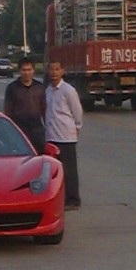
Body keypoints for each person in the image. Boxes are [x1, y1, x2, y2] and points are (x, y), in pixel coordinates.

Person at [45, 62, 83, 211]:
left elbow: (77, 111)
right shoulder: (48, 90)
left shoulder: (68, 90)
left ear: (62, 71)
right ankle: (59, 198)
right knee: (54, 171)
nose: (54, 73)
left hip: (66, 136)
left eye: (57, 70)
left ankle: (73, 200)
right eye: (51, 70)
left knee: (69, 170)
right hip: (51, 136)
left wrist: (77, 127)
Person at [3, 57, 46, 154]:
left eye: (29, 70)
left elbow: (45, 109)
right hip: (19, 129)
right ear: (19, 71)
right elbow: (7, 111)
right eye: (24, 70)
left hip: (37, 128)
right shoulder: (12, 88)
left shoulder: (39, 87)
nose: (26, 73)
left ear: (33, 70)